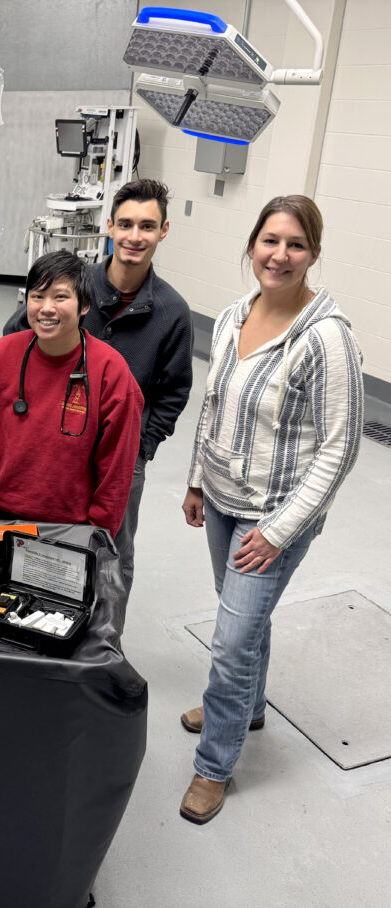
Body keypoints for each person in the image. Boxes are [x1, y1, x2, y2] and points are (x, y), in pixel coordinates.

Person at [178, 196, 363, 825]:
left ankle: (214, 765)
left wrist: (279, 532)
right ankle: (247, 705)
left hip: (274, 516)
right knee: (243, 624)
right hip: (225, 500)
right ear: (253, 244)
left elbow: (339, 449)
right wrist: (198, 480)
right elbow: (214, 408)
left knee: (230, 641)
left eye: (296, 245)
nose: (280, 256)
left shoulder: (327, 338)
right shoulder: (235, 314)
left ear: (313, 254)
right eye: (270, 241)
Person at [4, 179, 192, 603]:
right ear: (109, 226)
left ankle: (104, 647)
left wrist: (141, 446)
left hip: (122, 457)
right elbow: (18, 331)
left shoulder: (172, 312)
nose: (134, 236)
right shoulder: (73, 285)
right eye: (125, 224)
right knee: (43, 542)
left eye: (147, 226)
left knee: (111, 553)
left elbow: (174, 391)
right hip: (56, 446)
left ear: (164, 231)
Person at [0, 251, 144, 535]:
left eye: (61, 297)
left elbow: (116, 468)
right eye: (37, 296)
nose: (46, 308)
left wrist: (96, 533)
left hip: (67, 528)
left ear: (85, 305)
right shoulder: (3, 354)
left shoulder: (110, 372)